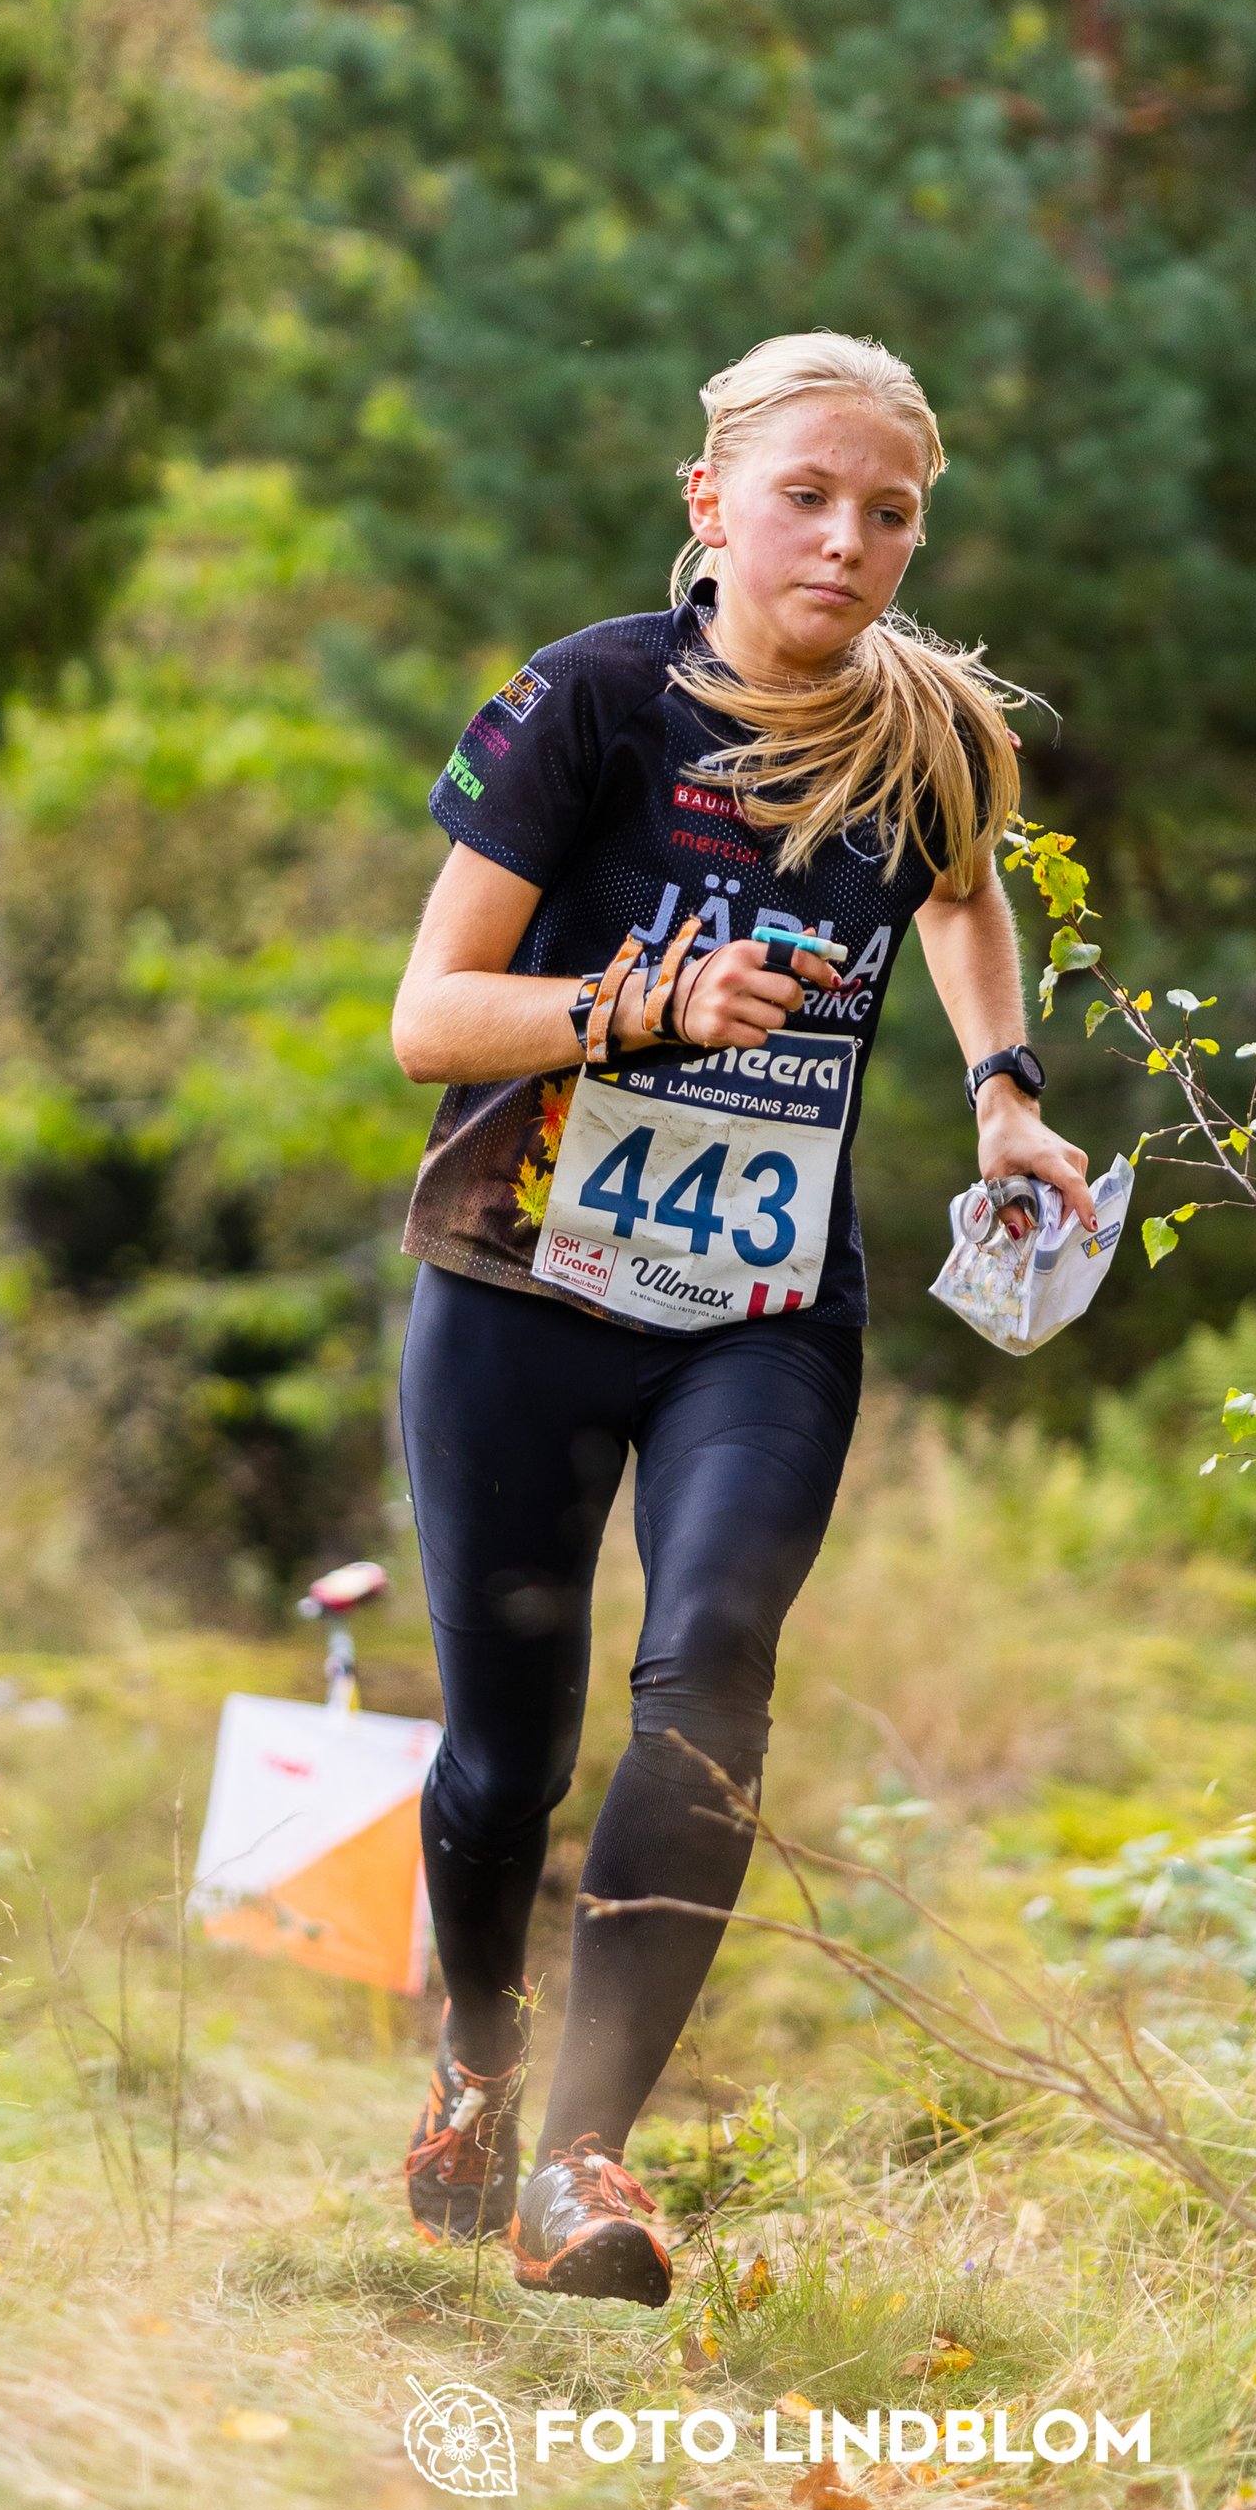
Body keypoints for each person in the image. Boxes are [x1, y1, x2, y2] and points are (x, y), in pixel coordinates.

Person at [386, 330, 1095, 2303]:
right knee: (499, 1762)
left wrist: (1002, 1088)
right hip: (520, 1287)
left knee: (706, 1681)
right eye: (807, 497)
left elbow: (954, 891)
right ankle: (475, 2056)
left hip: (759, 1312)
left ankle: (585, 2168)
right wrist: (638, 1005)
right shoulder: (587, 702)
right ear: (710, 504)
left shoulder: (927, 731)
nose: (848, 542)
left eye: (890, 513)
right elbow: (423, 1020)